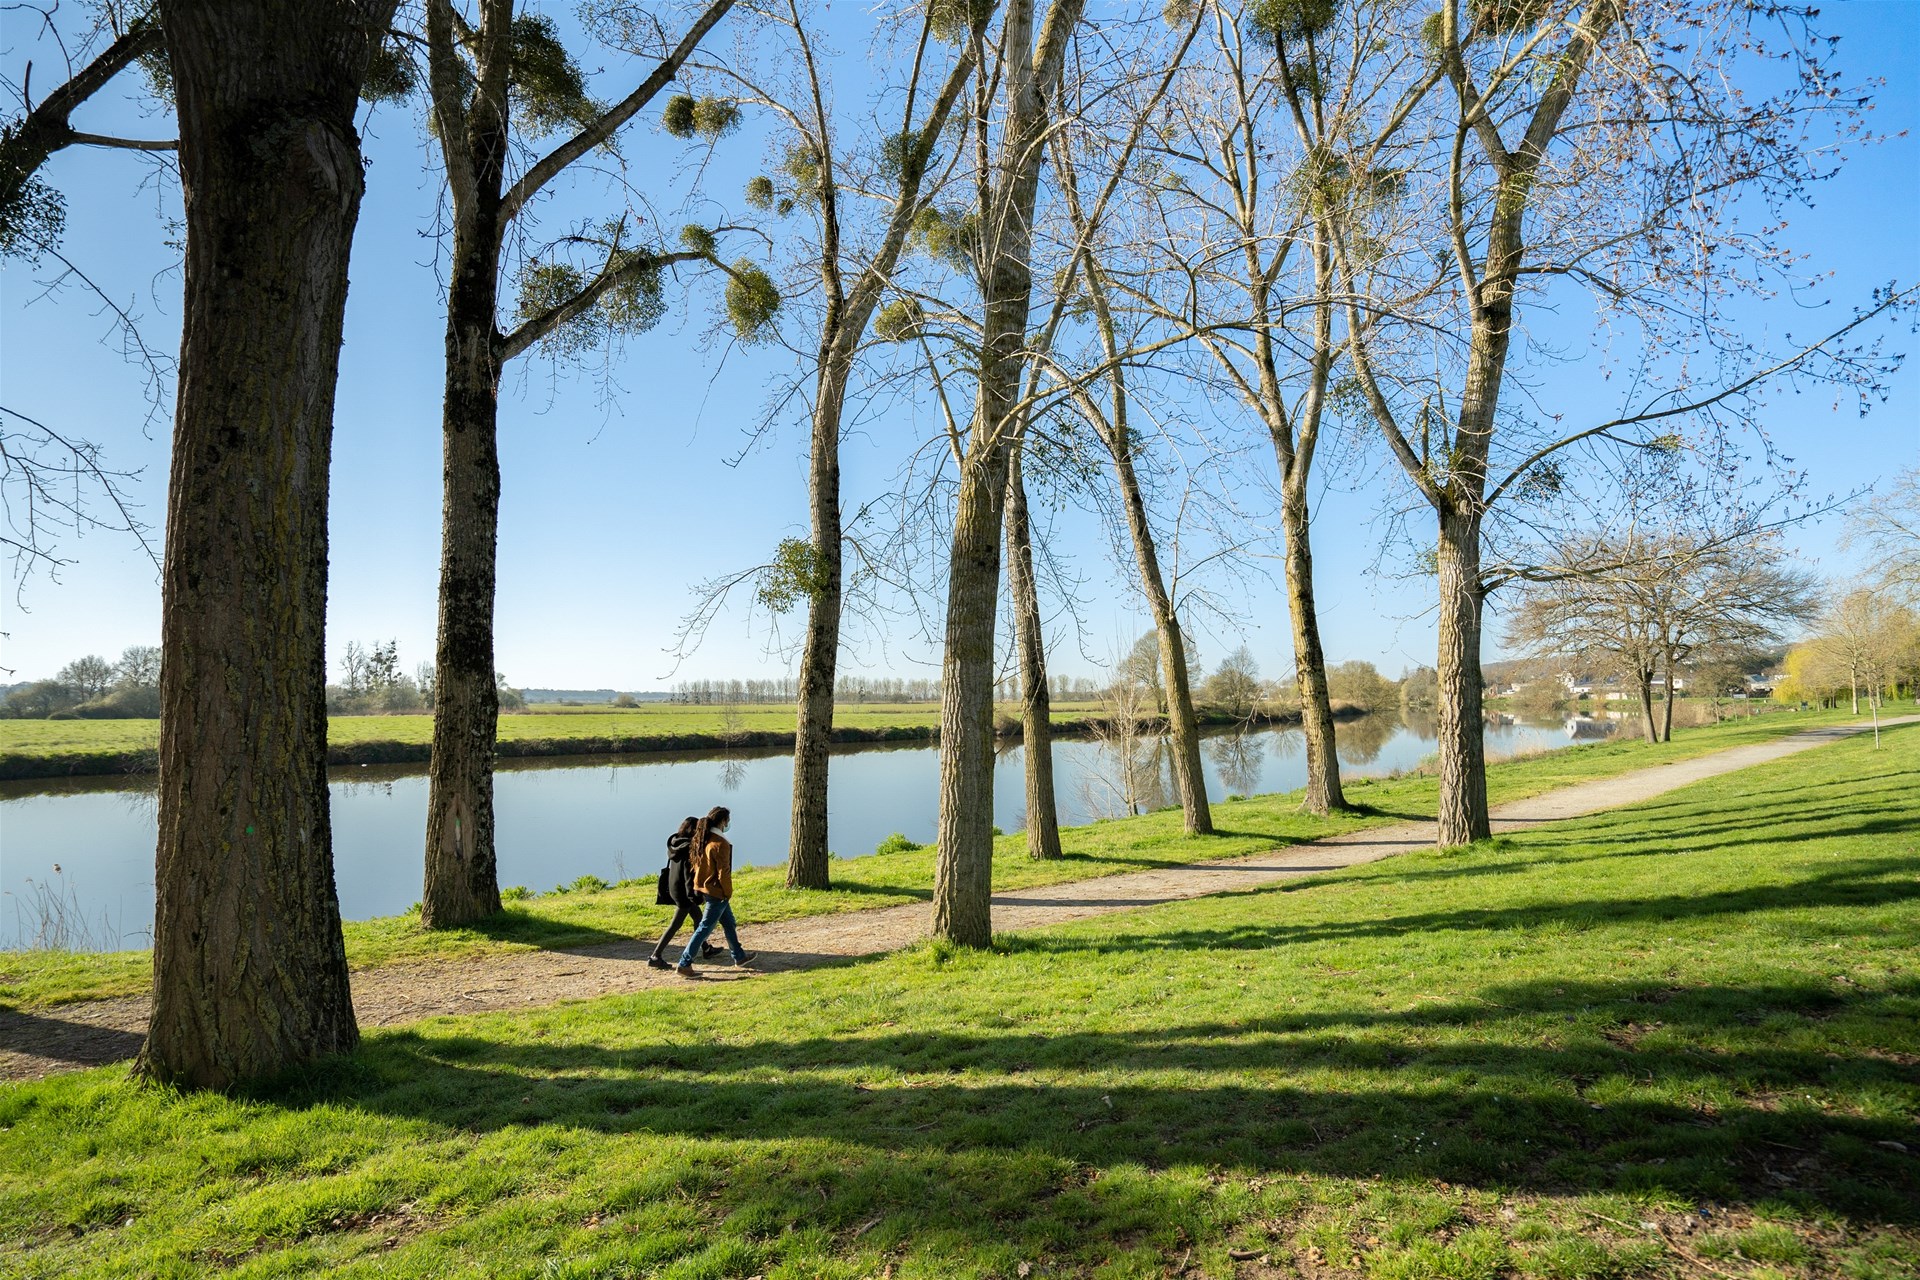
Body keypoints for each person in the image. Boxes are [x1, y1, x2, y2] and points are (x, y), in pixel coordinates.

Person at [676, 804, 756, 975]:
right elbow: (723, 873)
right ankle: (684, 963)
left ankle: (739, 956)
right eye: (728, 820)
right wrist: (728, 892)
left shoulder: (704, 838)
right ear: (723, 821)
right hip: (717, 892)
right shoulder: (720, 844)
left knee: (729, 923)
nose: (728, 824)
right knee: (704, 928)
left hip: (707, 889)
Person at [649, 816, 721, 970]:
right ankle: (655, 956)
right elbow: (689, 877)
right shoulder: (688, 848)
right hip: (683, 893)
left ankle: (706, 948)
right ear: (693, 831)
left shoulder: (675, 843)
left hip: (674, 887)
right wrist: (694, 896)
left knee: (698, 918)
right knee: (675, 925)